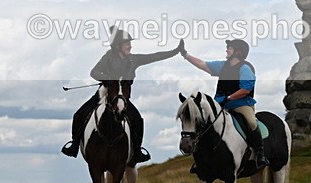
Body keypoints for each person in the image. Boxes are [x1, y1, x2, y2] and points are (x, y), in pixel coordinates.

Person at [61, 28, 184, 162]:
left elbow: (154, 56)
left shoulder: (134, 59)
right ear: (117, 46)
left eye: (129, 43)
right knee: (78, 114)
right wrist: (109, 79)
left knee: (138, 119)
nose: (130, 46)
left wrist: (175, 51)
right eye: (126, 43)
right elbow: (94, 72)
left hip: (123, 98)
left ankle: (137, 151)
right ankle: (74, 146)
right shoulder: (108, 57)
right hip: (106, 95)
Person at [182, 39, 269, 170]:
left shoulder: (245, 68)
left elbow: (246, 89)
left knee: (251, 122)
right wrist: (185, 55)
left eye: (230, 48)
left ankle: (260, 155)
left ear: (238, 52)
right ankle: (200, 159)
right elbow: (202, 64)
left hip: (241, 105)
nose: (227, 50)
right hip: (222, 104)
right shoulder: (223, 66)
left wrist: (229, 98)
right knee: (205, 124)